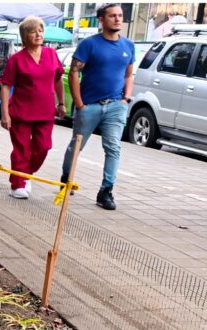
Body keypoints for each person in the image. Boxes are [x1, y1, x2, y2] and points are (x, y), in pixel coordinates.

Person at [60, 2, 136, 210]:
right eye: (112, 16)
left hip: (115, 106)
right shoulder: (89, 44)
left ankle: (106, 191)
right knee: (76, 146)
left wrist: (126, 98)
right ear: (101, 20)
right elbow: (74, 72)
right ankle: (66, 179)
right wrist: (79, 103)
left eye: (120, 15)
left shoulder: (128, 45)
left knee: (113, 148)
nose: (118, 19)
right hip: (90, 105)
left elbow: (129, 74)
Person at [0, 16, 65, 200]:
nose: (38, 34)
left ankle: (25, 173)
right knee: (21, 149)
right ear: (24, 36)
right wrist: (5, 114)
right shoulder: (16, 59)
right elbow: (5, 86)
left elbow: (58, 79)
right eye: (33, 31)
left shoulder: (51, 54)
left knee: (43, 147)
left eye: (40, 30)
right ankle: (17, 184)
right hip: (20, 111)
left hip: (45, 111)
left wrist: (61, 103)